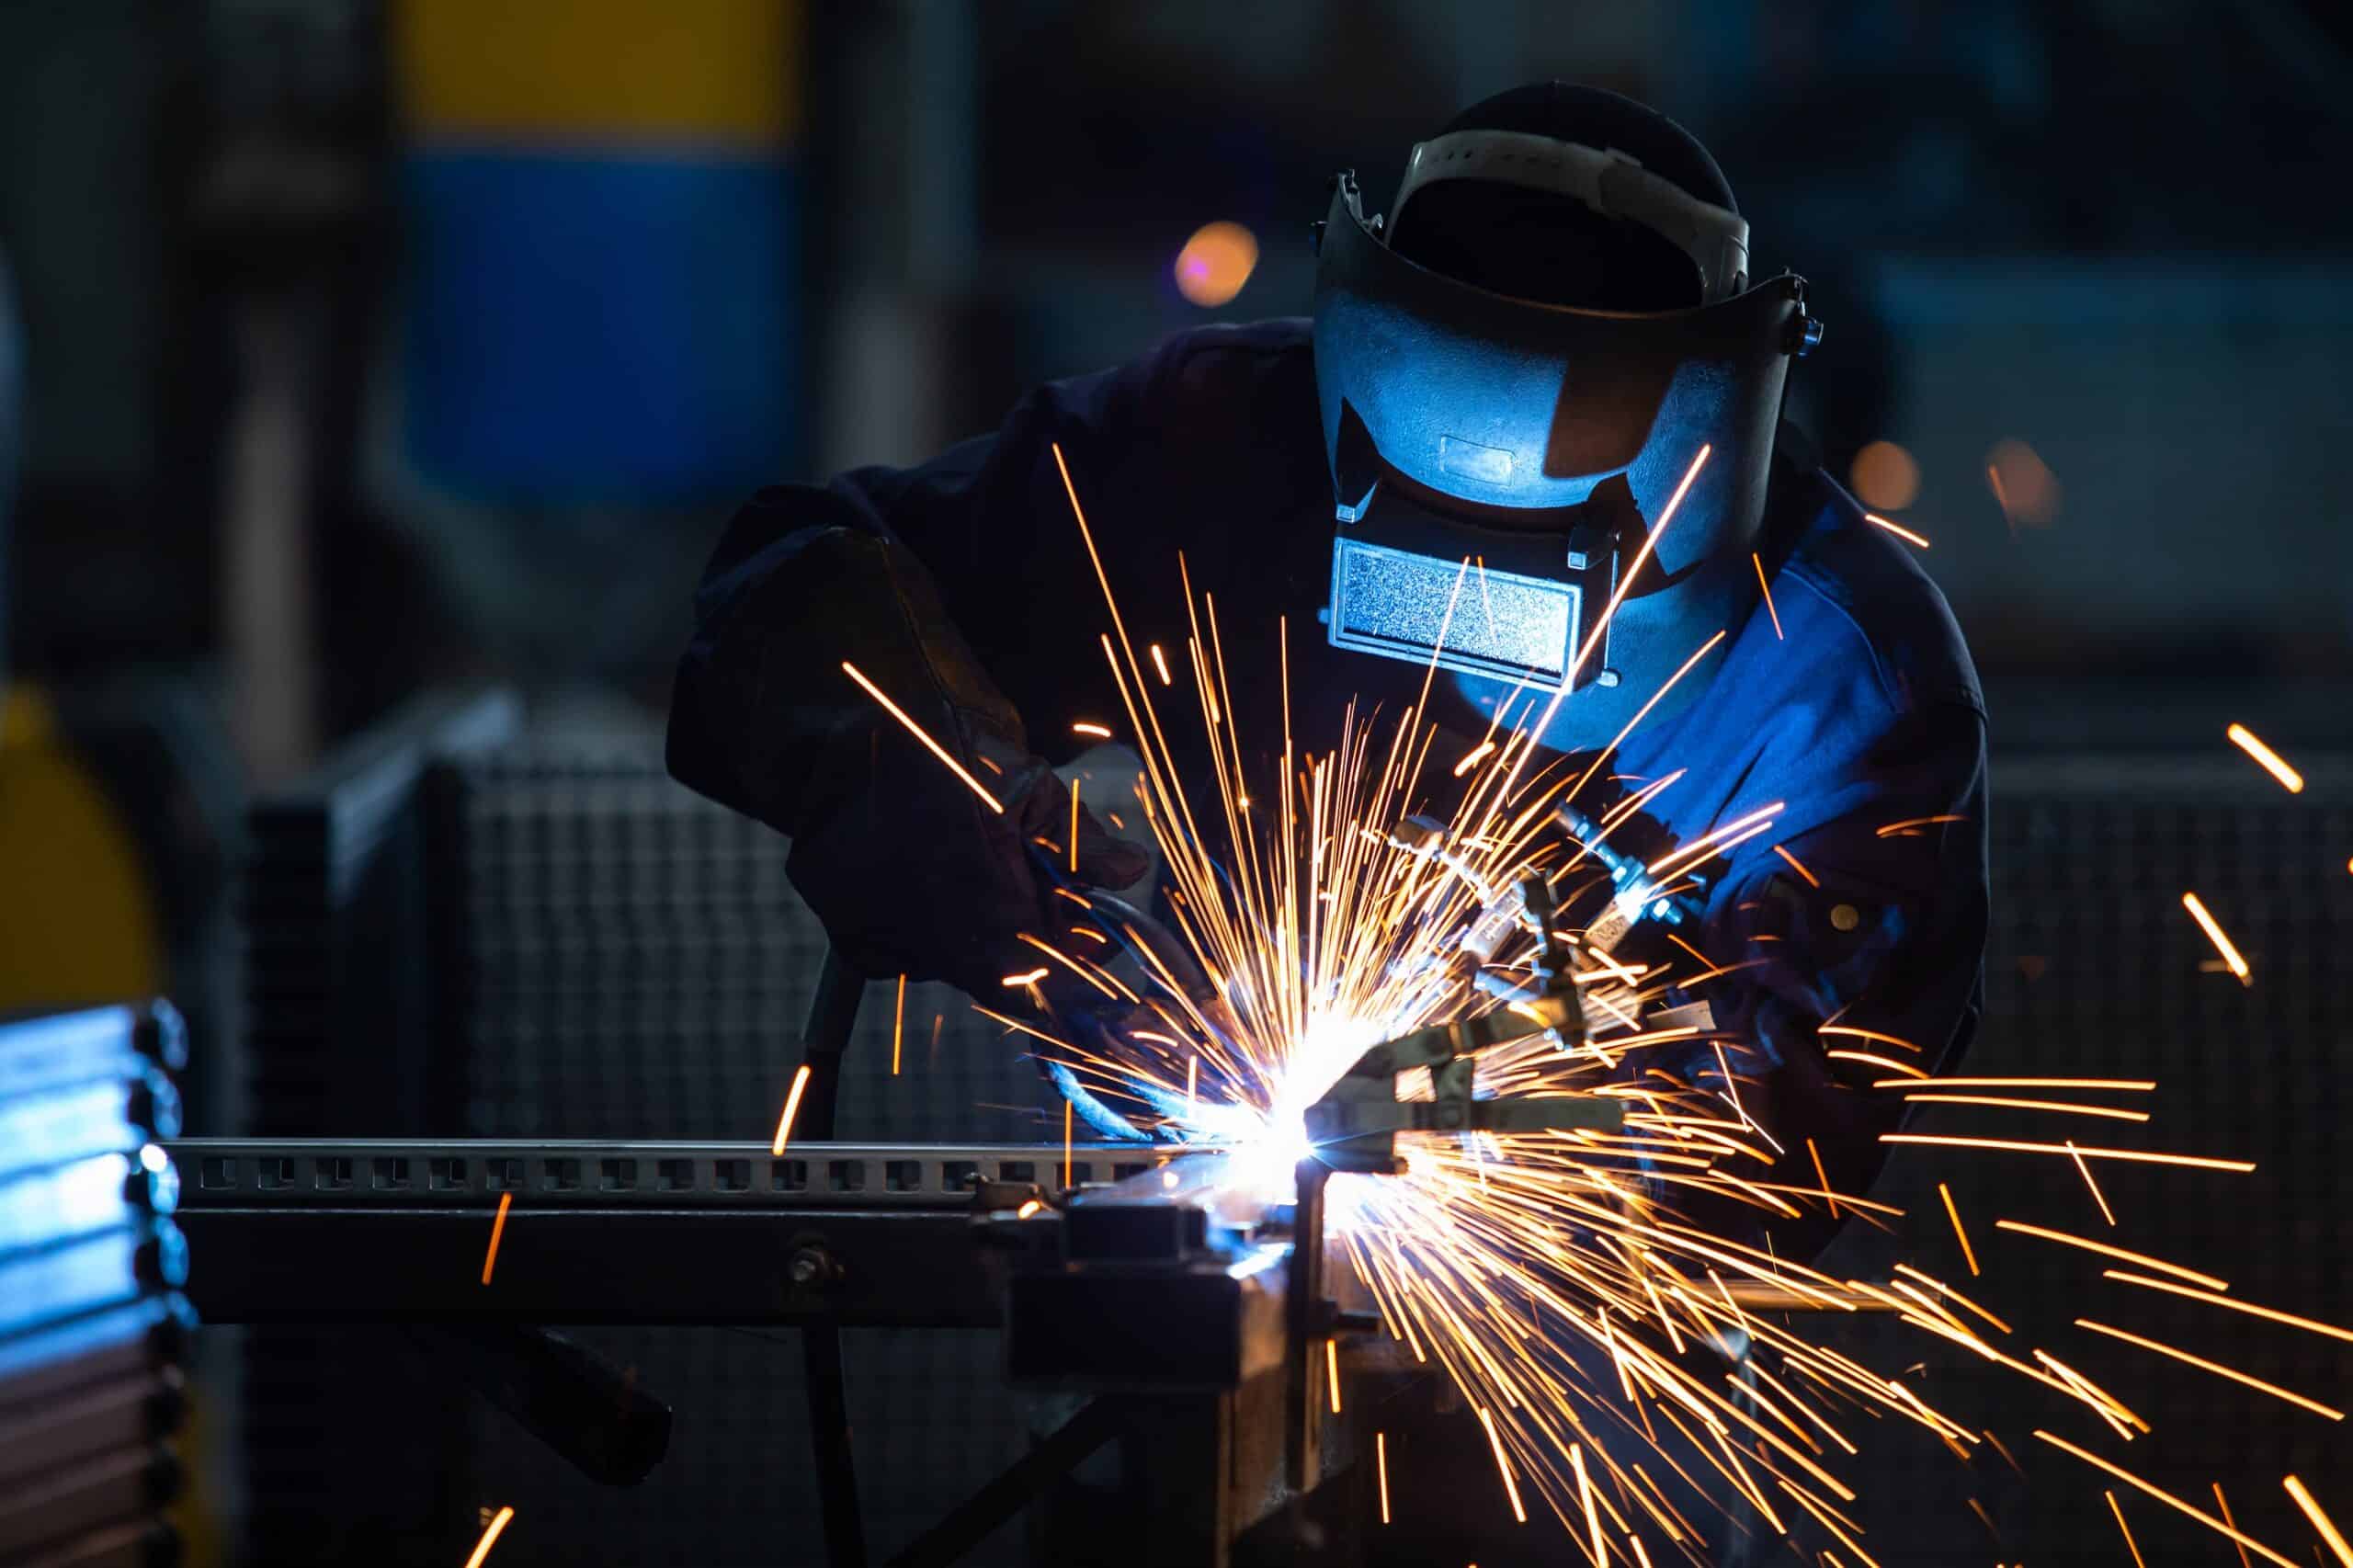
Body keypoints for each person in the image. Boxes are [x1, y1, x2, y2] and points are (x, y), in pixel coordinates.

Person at [669, 81, 1988, 1560]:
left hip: (1590, 1414)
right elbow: (787, 598)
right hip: (1185, 1322)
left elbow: (1788, 1116)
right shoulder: (1211, 452)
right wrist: (1037, 899)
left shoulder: (1839, 675)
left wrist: (1530, 1093)